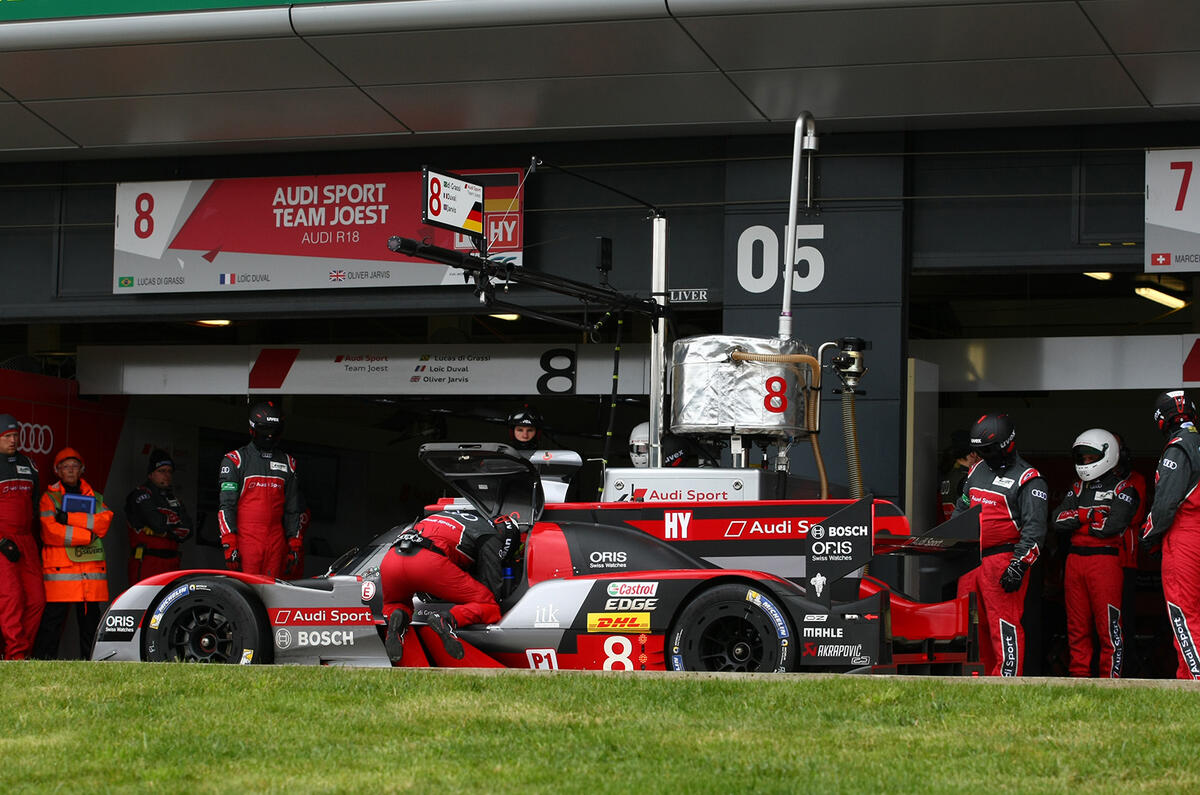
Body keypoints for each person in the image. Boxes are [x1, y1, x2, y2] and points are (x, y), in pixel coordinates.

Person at [953, 412, 1048, 676]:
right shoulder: (975, 470)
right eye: (979, 450)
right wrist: (950, 542)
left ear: (1006, 444)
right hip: (971, 559)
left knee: (1003, 623)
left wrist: (1019, 564)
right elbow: (962, 508)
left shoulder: (1029, 478)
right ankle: (975, 678)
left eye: (987, 449)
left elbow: (1035, 528)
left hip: (1003, 559)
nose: (982, 454)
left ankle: (1006, 682)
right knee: (970, 624)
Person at [1051, 428, 1142, 677]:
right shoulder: (1077, 487)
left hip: (1105, 562)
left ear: (1109, 454)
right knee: (1076, 627)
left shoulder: (1125, 489)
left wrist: (1077, 518)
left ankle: (1111, 681)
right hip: (1074, 561)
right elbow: (1057, 519)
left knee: (1109, 627)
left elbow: (1111, 527)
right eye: (1083, 458)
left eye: (1091, 457)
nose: (1086, 462)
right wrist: (1090, 514)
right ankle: (1078, 678)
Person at [380, 510, 520, 663]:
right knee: (489, 604)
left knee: (395, 603)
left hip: (391, 559)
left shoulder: (447, 516)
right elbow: (492, 588)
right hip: (428, 563)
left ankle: (397, 620)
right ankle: (446, 620)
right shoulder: (490, 535)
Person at [34, 447, 114, 659]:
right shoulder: (49, 498)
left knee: (90, 626)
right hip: (61, 574)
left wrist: (69, 519)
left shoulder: (95, 497)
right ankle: (42, 662)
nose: (70, 470)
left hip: (89, 576)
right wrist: (86, 535)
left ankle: (91, 663)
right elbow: (50, 532)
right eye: (65, 467)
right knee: (52, 624)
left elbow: (103, 524)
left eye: (74, 466)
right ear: (57, 471)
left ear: (82, 469)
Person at [1142, 389, 1200, 679]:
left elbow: (1165, 505)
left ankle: (1193, 678)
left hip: (1186, 535)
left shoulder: (1179, 446)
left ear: (1162, 420)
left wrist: (1149, 535)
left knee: (1184, 610)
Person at [217, 400, 303, 578]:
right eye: (265, 430)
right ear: (253, 429)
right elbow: (226, 506)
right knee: (247, 594)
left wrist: (295, 545)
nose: (270, 435)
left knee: (273, 596)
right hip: (246, 540)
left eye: (274, 430)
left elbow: (293, 510)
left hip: (276, 541)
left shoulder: (289, 463)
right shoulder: (235, 460)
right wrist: (229, 543)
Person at [0, 414, 43, 660]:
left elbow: (35, 504)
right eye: (6, 436)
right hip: (3, 539)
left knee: (37, 599)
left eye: (15, 435)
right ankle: (15, 656)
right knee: (11, 600)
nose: (12, 440)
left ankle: (21, 652)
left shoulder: (29, 464)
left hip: (26, 540)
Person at [125, 448, 193, 584]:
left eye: (169, 471)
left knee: (169, 604)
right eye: (162, 471)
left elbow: (188, 530)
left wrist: (166, 531)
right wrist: (174, 527)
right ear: (151, 474)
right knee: (144, 604)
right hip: (148, 561)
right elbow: (157, 524)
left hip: (172, 563)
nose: (167, 475)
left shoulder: (174, 500)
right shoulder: (141, 495)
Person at [938, 429, 980, 523]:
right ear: (973, 454)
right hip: (963, 531)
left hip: (951, 529)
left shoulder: (949, 475)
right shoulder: (966, 480)